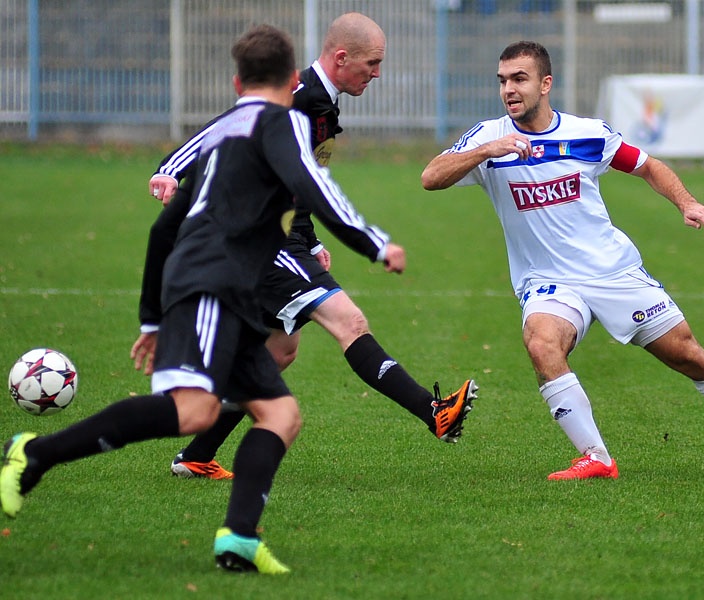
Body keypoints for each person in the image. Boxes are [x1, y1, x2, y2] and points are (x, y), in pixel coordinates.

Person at [1, 24, 406, 574]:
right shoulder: (285, 119)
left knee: (281, 415)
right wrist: (374, 243)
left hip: (220, 285)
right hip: (213, 284)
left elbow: (163, 229)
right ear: (293, 79)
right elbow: (314, 185)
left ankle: (238, 538)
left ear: (237, 81)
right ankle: (36, 453)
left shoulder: (224, 134)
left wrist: (150, 317)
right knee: (194, 411)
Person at [420, 40, 704, 480]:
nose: (508, 90)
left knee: (689, 356)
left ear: (545, 83)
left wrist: (686, 203)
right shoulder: (487, 136)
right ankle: (596, 456)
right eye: (502, 81)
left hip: (611, 272)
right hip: (548, 281)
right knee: (542, 343)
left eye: (519, 79)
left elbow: (648, 165)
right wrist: (486, 151)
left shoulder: (586, 133)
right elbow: (430, 177)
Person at [139, 12, 476, 480]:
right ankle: (432, 411)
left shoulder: (323, 103)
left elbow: (296, 178)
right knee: (349, 321)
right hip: (263, 240)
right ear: (341, 58)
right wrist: (169, 169)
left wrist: (309, 237)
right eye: (372, 63)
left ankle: (196, 455)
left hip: (285, 237)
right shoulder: (299, 95)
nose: (377, 73)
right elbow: (227, 125)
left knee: (278, 352)